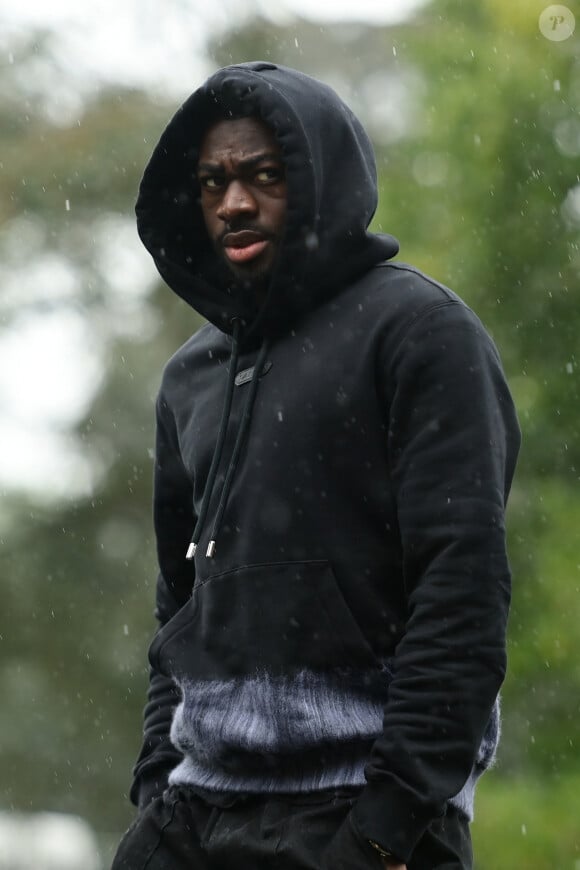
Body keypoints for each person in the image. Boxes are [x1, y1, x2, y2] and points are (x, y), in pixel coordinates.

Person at [112, 62, 520, 870]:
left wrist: (391, 817)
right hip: (196, 812)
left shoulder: (419, 332)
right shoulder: (190, 377)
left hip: (361, 812)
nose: (234, 202)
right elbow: (180, 606)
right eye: (213, 182)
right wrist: (159, 777)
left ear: (317, 178)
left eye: (265, 175)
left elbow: (462, 585)